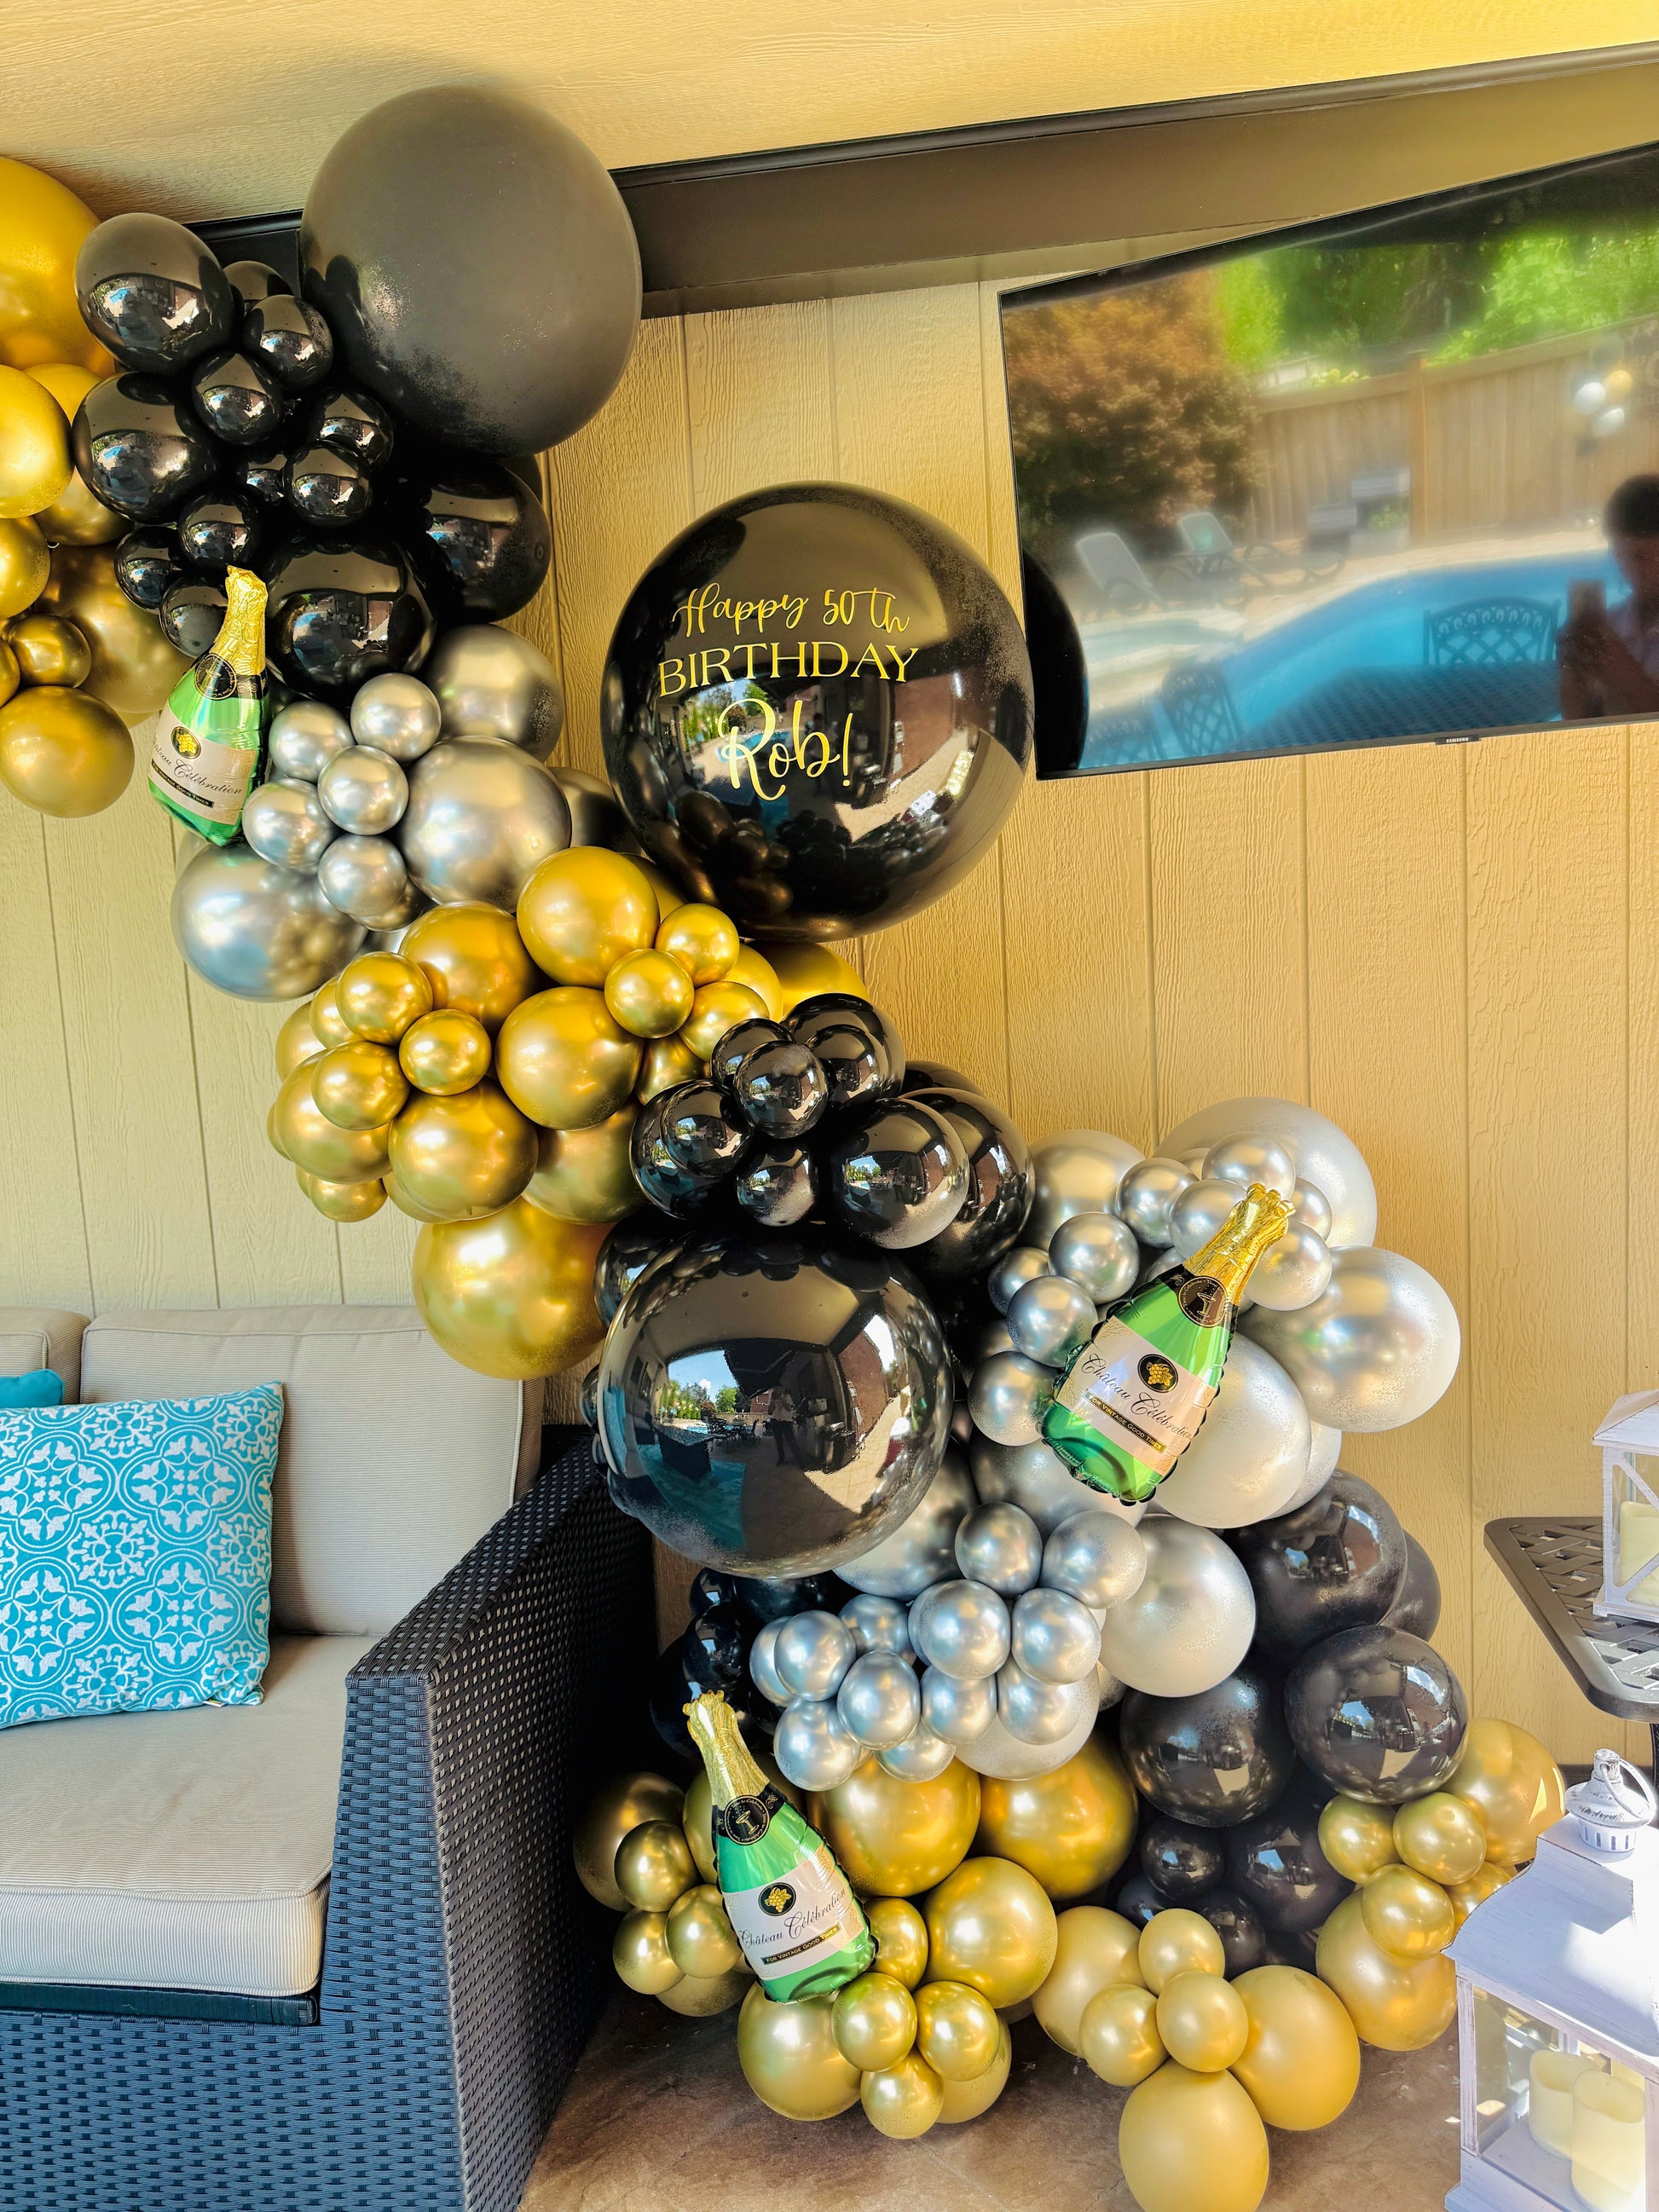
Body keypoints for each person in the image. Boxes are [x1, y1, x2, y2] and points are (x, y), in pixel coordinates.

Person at [1559, 476, 1659, 719]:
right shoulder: (1613, 625)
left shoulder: (1612, 640)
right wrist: (1573, 678)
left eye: (1642, 557)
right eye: (1621, 555)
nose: (1630, 569)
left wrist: (1624, 675)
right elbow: (1579, 729)